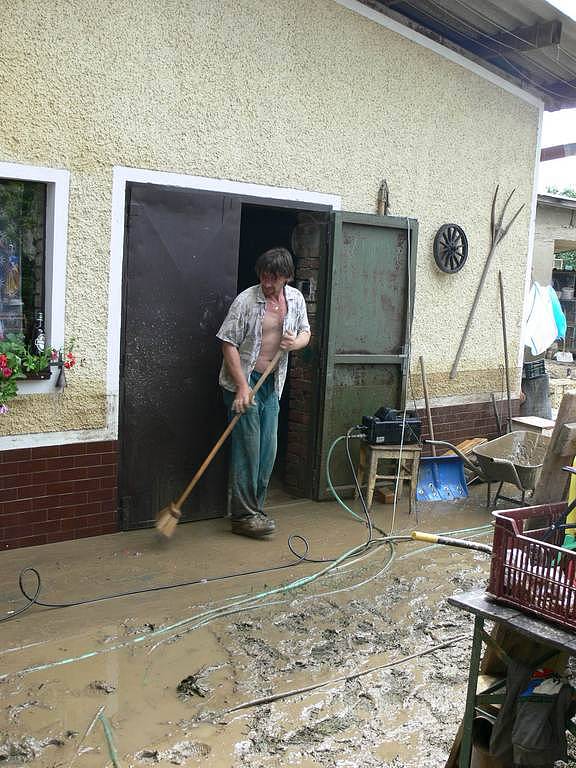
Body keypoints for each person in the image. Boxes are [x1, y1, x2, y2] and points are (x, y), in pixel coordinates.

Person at [216, 247, 310, 538]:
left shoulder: (295, 299)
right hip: (243, 383)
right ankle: (243, 516)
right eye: (263, 276)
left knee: (268, 450)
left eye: (273, 278)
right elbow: (227, 342)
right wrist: (242, 386)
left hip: (272, 384)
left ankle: (256, 509)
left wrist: (294, 343)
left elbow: (306, 333)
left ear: (285, 277)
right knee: (249, 449)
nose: (266, 283)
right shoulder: (246, 301)